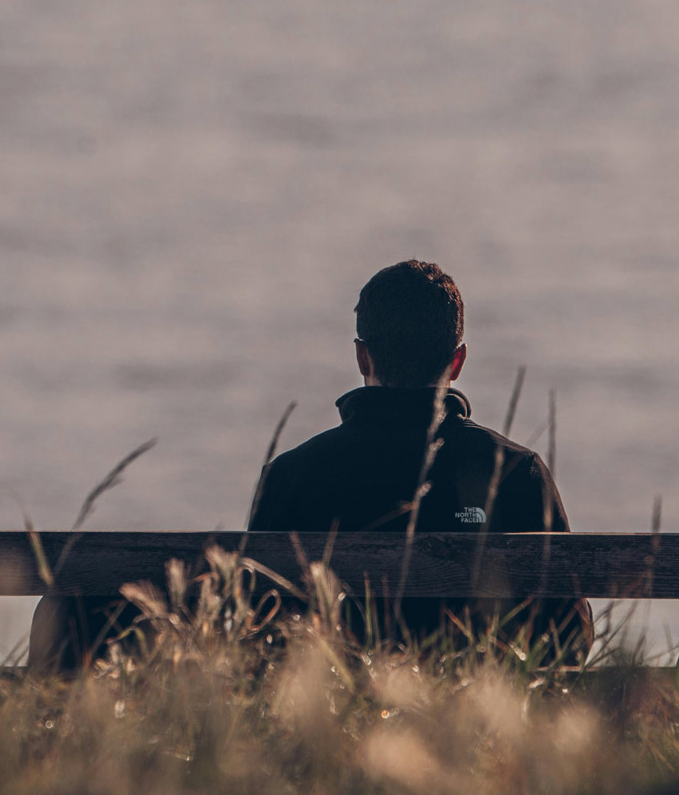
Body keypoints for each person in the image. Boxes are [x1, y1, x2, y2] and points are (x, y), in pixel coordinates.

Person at [248, 260, 592, 659]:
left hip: (325, 711)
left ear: (363, 358)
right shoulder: (517, 473)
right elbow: (570, 638)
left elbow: (256, 627)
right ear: (457, 362)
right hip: (481, 717)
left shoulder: (290, 476)